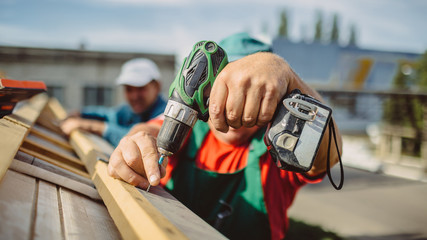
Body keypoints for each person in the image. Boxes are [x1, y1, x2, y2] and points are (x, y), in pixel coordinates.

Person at [107, 33, 343, 239]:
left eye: (253, 92)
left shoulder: (282, 143)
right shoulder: (188, 128)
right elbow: (150, 130)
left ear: (273, 97)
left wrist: (286, 75)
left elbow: (330, 155)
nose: (235, 103)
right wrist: (137, 144)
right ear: (205, 86)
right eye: (226, 87)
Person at [60, 58, 167, 147]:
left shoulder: (166, 115)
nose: (134, 96)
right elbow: (108, 114)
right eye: (129, 89)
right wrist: (81, 114)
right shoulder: (130, 111)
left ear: (157, 87)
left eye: (141, 88)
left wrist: (91, 126)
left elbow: (135, 139)